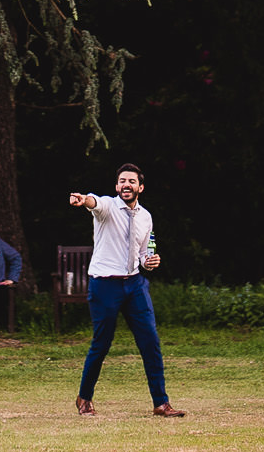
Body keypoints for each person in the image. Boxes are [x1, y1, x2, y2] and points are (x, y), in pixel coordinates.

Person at [67, 164, 183, 418]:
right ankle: (84, 398)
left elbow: (144, 252)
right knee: (102, 344)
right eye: (122, 181)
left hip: (135, 284)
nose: (126, 185)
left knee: (150, 342)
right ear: (117, 186)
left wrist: (149, 261)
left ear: (140, 187)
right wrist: (82, 199)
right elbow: (93, 202)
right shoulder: (107, 208)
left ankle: (161, 403)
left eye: (131, 181)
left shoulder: (145, 216)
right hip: (104, 285)